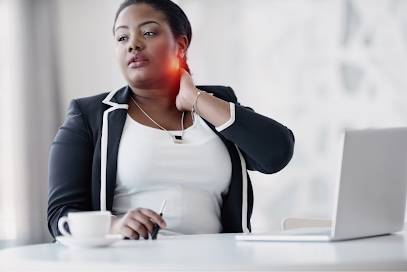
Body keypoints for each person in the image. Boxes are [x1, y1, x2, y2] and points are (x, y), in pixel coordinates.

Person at [47, 0, 295, 240]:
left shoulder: (216, 106)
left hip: (219, 262)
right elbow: (60, 216)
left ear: (180, 45)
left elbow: (276, 154)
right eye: (122, 37)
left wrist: (196, 98)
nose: (133, 44)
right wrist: (115, 226)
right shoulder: (89, 116)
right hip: (126, 262)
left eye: (149, 33)